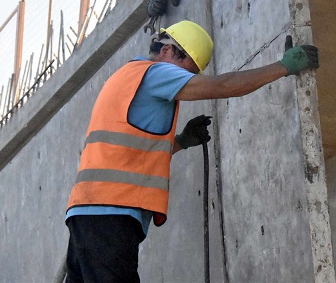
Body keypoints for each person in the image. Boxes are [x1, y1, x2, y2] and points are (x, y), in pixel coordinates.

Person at [64, 20, 319, 282]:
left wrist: (182, 141)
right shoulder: (154, 73)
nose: (188, 81)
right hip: (111, 213)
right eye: (188, 71)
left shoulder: (126, 78)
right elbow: (221, 86)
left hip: (89, 212)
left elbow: (133, 153)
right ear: (167, 51)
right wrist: (283, 67)